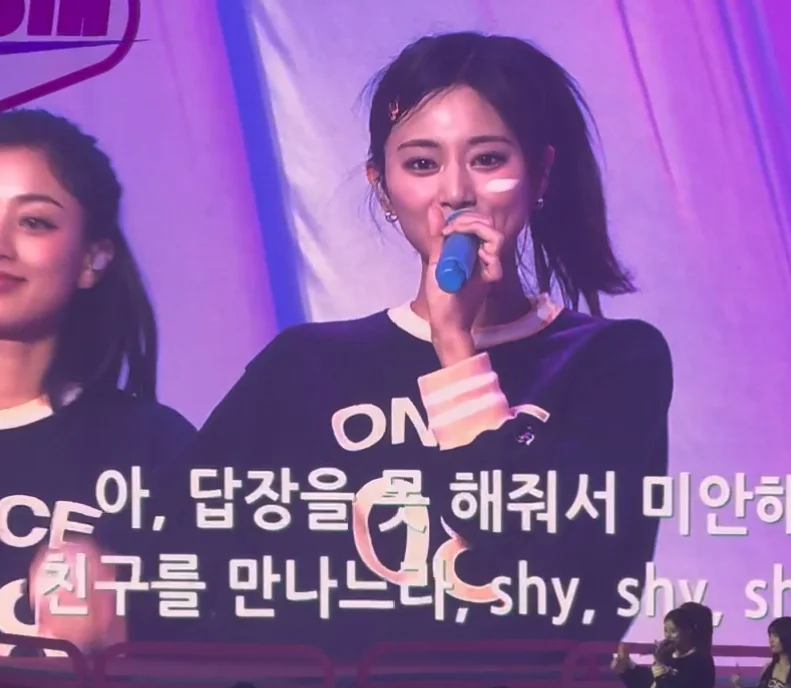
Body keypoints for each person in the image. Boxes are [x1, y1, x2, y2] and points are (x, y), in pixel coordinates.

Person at [155, 32, 671, 656]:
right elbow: (173, 558)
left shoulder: (612, 363)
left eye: (488, 159)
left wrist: (456, 348)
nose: (455, 192)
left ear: (540, 173)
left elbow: (575, 588)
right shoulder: (304, 367)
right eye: (422, 164)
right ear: (382, 186)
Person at [0, 110, 194, 657]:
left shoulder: (154, 448)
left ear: (93, 257)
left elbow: (215, 667)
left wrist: (111, 646)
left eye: (34, 221)